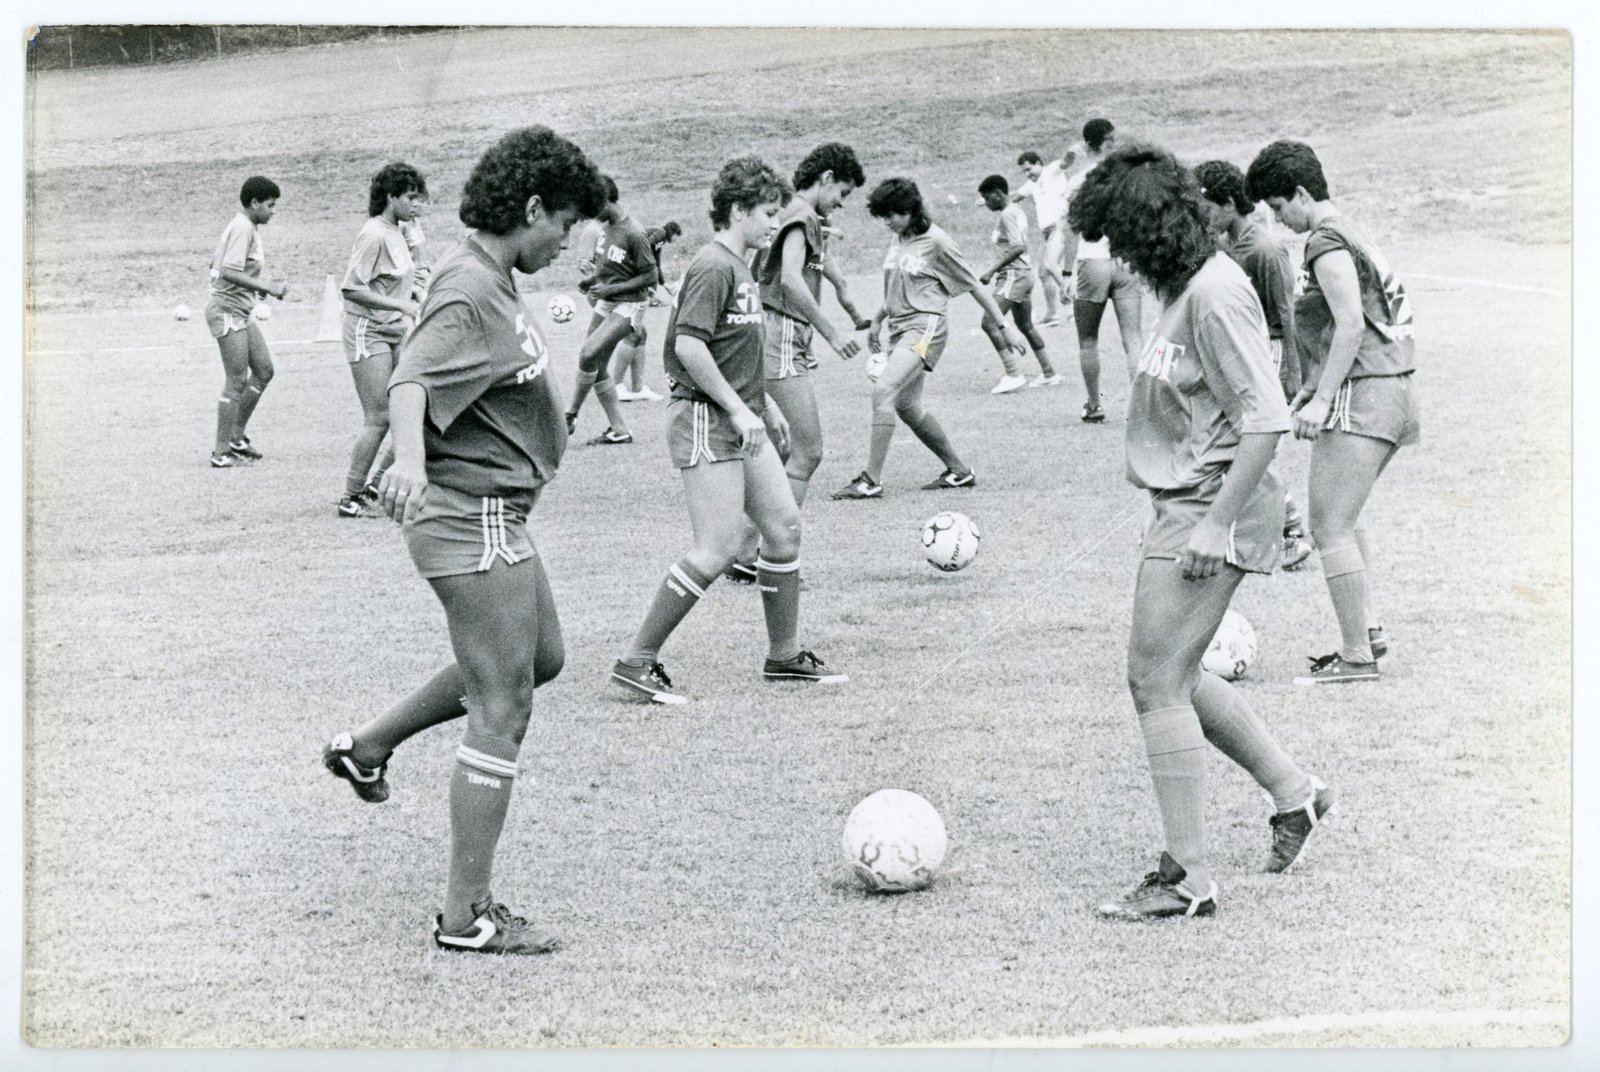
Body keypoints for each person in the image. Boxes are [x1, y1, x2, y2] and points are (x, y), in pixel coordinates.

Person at [320, 126, 607, 955]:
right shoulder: (470, 289)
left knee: (539, 658)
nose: (567, 244)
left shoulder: (478, 270)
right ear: (530, 209)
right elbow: (409, 378)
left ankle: (369, 746)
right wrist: (406, 460)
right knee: (504, 701)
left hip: (497, 513)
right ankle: (465, 917)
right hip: (471, 515)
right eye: (565, 226)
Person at [1068, 143, 1335, 921]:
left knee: (1154, 681)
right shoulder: (1182, 288)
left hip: (1207, 510)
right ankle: (1295, 794)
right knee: (1172, 675)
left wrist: (1219, 524)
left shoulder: (1216, 294)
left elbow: (1266, 419)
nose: (1114, 255)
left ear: (1151, 230)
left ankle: (1187, 878)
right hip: (1185, 504)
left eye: (1120, 238)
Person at [610, 156, 847, 704]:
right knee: (715, 548)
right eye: (767, 213)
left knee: (783, 526)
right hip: (704, 418)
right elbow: (689, 347)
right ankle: (635, 660)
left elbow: (736, 350)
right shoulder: (713, 266)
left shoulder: (743, 266)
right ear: (738, 211)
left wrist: (764, 408)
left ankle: (783, 656)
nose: (774, 224)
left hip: (742, 417)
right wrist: (739, 412)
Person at [1246, 139, 1418, 684]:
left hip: (1365, 391)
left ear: (1301, 192)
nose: (1279, 219)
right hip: (1392, 387)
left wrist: (1323, 399)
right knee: (1345, 517)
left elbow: (1349, 323)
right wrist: (1313, 384)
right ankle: (1367, 632)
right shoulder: (1351, 229)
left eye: (1279, 207)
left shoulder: (1324, 240)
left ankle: (1356, 657)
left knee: (1329, 526)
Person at [722, 143, 867, 585]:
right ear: (825, 178)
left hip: (776, 333)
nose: (843, 202)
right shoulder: (801, 215)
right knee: (808, 449)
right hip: (781, 333)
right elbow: (788, 278)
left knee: (783, 447)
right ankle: (774, 555)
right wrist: (832, 330)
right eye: (841, 191)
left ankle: (747, 552)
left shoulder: (795, 214)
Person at [831, 177, 1025, 501]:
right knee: (907, 406)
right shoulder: (901, 238)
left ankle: (869, 480)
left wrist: (1005, 326)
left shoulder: (938, 241)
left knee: (883, 390)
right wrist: (878, 320)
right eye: (884, 216)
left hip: (925, 329)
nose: (888, 221)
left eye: (892, 214)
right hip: (900, 328)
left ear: (910, 209)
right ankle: (959, 471)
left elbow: (974, 285)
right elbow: (899, 287)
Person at [1193, 159, 1314, 569]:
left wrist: (1292, 373)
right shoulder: (1227, 247)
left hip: (1271, 351)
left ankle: (1293, 530)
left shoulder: (1264, 248)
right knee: (1241, 444)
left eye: (1207, 207)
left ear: (1228, 203)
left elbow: (1289, 312)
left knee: (1258, 446)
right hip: (1244, 353)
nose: (1203, 216)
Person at [336, 161, 428, 518]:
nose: (418, 205)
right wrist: (400, 305)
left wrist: (416, 295)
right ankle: (350, 496)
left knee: (414, 408)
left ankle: (377, 484)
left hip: (394, 330)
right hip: (367, 331)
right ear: (391, 198)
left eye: (420, 198)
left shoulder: (400, 231)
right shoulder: (373, 234)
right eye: (411, 197)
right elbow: (351, 289)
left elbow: (408, 274)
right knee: (379, 416)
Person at [565, 177, 657, 445]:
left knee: (587, 353)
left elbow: (650, 277)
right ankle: (619, 429)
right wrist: (592, 279)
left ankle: (570, 414)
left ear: (607, 201)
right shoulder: (606, 228)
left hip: (630, 304)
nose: (591, 213)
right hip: (609, 301)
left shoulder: (635, 233)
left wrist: (609, 291)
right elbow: (607, 267)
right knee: (595, 364)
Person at [1064, 119, 1144, 423]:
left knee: (1087, 339)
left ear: (1087, 145)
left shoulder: (1078, 182)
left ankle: (1095, 405)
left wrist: (1065, 275)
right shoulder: (1127, 179)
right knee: (1133, 338)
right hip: (1125, 262)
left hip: (1091, 261)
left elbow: (1072, 231)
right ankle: (1139, 407)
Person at [204, 176, 286, 468]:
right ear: (254, 203)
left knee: (264, 370)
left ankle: (236, 437)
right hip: (227, 311)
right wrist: (267, 286)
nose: (273, 211)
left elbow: (216, 267)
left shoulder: (244, 226)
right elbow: (228, 271)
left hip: (240, 310)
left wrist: (252, 289)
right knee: (237, 380)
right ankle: (220, 452)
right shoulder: (242, 228)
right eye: (270, 205)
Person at [978, 173, 1061, 393]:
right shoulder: (1014, 210)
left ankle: (1013, 373)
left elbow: (1017, 247)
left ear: (998, 194)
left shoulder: (1007, 215)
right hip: (1024, 274)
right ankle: (1049, 372)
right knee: (1025, 325)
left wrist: (990, 270)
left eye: (987, 198)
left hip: (1014, 275)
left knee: (989, 322)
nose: (986, 203)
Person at [612, 220, 682, 401]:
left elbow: (655, 263)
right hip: (628, 277)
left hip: (629, 276)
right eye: (676, 236)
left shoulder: (659, 241)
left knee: (641, 334)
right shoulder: (659, 232)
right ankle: (616, 385)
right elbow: (645, 251)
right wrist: (645, 279)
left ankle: (637, 388)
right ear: (672, 232)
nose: (675, 240)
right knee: (634, 334)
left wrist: (662, 284)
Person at [1013, 149, 1074, 326]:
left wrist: (1070, 153)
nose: (1027, 173)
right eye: (1024, 171)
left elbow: (1065, 162)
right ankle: (1052, 314)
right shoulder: (1031, 184)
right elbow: (1015, 197)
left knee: (1050, 264)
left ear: (1039, 164)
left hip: (1061, 225)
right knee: (1043, 272)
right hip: (1047, 232)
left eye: (1029, 169)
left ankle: (1073, 305)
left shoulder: (1051, 170)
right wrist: (988, 200)